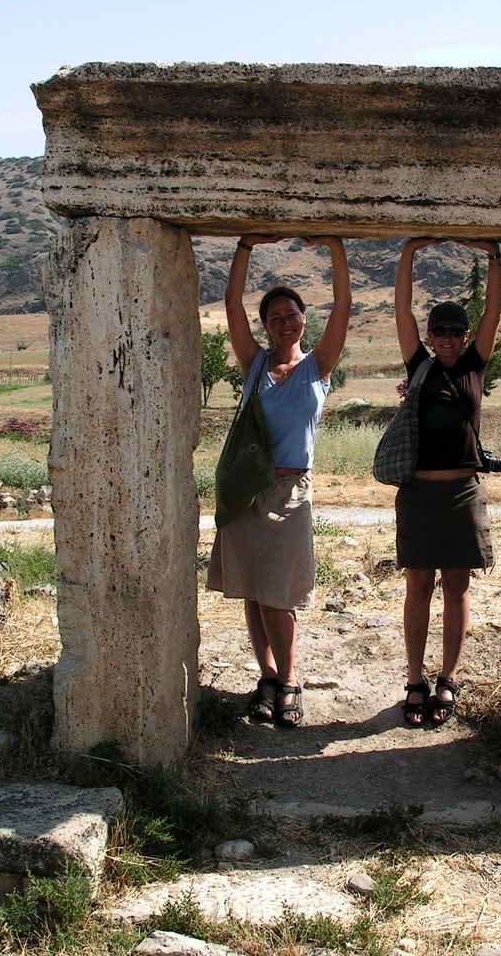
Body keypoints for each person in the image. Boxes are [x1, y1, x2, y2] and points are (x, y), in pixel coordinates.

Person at [207, 234, 351, 728]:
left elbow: (344, 308)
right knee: (251, 588)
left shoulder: (318, 366)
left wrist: (333, 245)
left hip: (292, 494)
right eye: (275, 317)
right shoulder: (254, 365)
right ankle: (266, 675)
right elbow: (231, 304)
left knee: (278, 595)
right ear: (266, 326)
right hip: (248, 491)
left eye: (292, 315)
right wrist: (245, 244)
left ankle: (289, 681)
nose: (284, 323)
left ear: (303, 320)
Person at [392, 237, 501, 727]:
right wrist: (410, 252)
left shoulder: (475, 367)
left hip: (462, 492)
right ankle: (415, 680)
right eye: (439, 330)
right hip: (418, 493)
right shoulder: (419, 367)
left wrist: (495, 256)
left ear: (464, 336)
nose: (446, 336)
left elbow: (493, 313)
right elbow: (401, 310)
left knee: (456, 586)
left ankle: (448, 680)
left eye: (455, 330)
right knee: (418, 586)